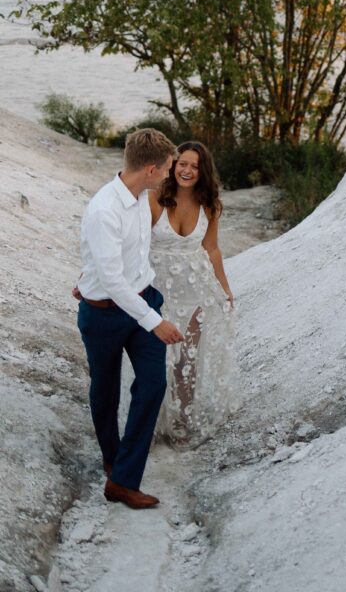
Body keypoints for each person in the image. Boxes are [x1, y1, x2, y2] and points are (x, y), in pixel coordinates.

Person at [75, 128, 183, 510]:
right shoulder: (104, 209)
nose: (171, 174)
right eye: (169, 167)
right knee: (105, 391)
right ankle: (112, 457)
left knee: (152, 385)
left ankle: (121, 480)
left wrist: (88, 278)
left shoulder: (142, 197)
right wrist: (155, 321)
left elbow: (120, 260)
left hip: (142, 299)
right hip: (105, 315)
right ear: (152, 169)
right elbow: (112, 280)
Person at [148, 141, 238, 444]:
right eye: (182, 163)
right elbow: (133, 245)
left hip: (195, 290)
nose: (187, 170)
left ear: (203, 171)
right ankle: (151, 422)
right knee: (155, 359)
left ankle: (181, 423)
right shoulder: (154, 199)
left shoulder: (209, 205)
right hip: (157, 291)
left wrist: (224, 289)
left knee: (187, 361)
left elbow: (211, 248)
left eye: (195, 166)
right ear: (173, 165)